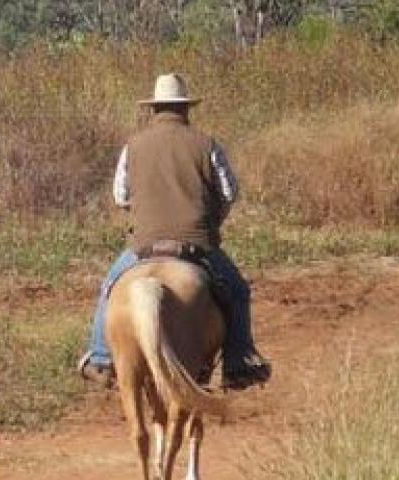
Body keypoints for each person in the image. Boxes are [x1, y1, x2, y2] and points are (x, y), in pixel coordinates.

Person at [77, 73, 271, 391]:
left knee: (110, 287)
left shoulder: (133, 146)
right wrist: (210, 216)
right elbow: (229, 192)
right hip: (197, 244)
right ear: (185, 109)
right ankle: (237, 364)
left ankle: (100, 358)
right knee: (237, 291)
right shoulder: (207, 144)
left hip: (143, 246)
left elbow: (120, 195)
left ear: (155, 108)